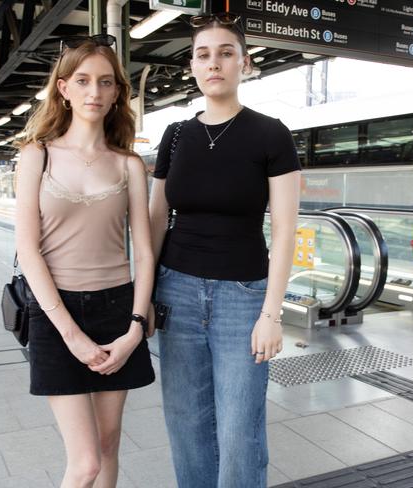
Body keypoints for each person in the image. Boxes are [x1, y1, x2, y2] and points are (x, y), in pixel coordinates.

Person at [149, 13, 300, 488]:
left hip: (243, 295)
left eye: (226, 53)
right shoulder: (175, 136)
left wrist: (271, 314)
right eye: (203, 54)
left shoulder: (271, 134)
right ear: (193, 67)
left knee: (239, 430)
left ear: (245, 64)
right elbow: (156, 219)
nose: (214, 63)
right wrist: (145, 298)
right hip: (176, 292)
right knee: (187, 423)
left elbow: (286, 231)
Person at [15, 35, 155, 488]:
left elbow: (145, 251)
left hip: (117, 309)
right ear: (63, 89)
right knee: (85, 464)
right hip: (56, 315)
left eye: (105, 82)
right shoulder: (37, 155)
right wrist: (71, 335)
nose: (94, 91)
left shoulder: (129, 165)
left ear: (117, 92)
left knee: (109, 445)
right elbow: (29, 249)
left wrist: (136, 327)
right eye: (83, 80)